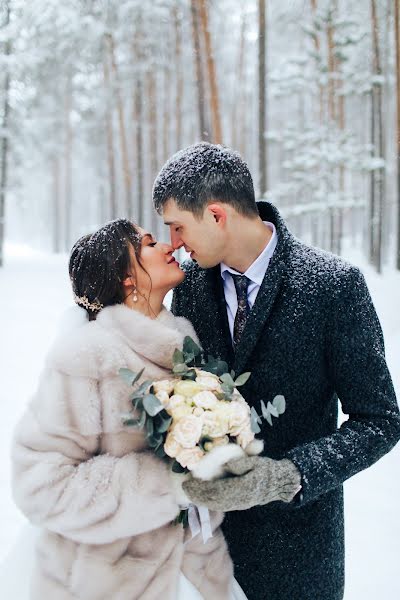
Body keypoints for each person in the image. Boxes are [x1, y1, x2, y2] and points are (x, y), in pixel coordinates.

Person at [152, 142, 400, 600]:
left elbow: (381, 421)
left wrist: (291, 475)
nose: (174, 243)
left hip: (301, 556)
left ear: (217, 214)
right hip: (210, 559)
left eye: (178, 226)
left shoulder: (334, 288)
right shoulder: (190, 290)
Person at [9, 218, 247, 600]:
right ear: (126, 278)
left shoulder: (186, 350)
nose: (170, 247)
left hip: (197, 573)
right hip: (109, 583)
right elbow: (40, 484)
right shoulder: (88, 357)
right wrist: (164, 482)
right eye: (150, 244)